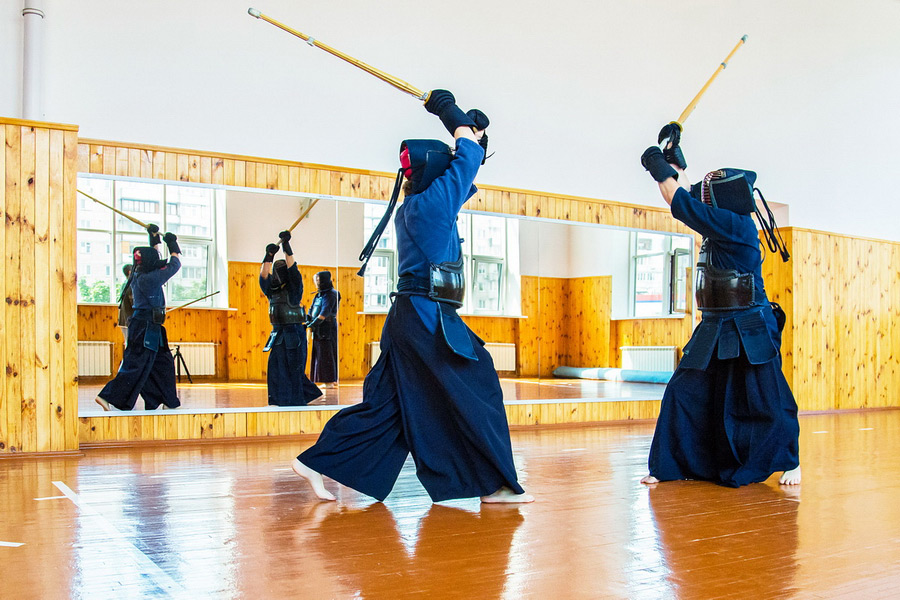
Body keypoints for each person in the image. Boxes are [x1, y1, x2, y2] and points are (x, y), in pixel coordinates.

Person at [292, 89, 533, 503]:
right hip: (426, 318)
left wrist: (476, 140)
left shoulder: (420, 205)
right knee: (480, 389)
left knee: (388, 407)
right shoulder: (432, 206)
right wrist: (448, 111)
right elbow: (466, 160)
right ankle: (493, 486)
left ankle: (315, 461)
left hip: (408, 318)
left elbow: (468, 168)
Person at [638, 124, 801, 486]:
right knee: (684, 390)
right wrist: (671, 159)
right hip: (714, 325)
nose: (705, 197)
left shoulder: (736, 227)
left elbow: (679, 201)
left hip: (749, 326)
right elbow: (690, 196)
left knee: (767, 399)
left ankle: (790, 461)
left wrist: (654, 162)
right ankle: (671, 466)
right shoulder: (724, 222)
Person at [95, 225, 182, 411]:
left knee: (162, 364)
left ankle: (168, 401)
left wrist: (154, 238)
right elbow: (175, 265)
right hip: (145, 326)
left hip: (152, 326)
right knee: (136, 365)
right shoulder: (149, 279)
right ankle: (106, 396)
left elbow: (154, 258)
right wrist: (173, 245)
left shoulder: (139, 272)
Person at [260, 231, 323, 406]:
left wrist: (287, 247)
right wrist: (269, 255)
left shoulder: (295, 289)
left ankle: (296, 400)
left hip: (294, 333)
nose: (275, 273)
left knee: (294, 370)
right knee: (276, 368)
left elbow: (293, 270)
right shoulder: (271, 291)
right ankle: (280, 399)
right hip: (278, 333)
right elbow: (263, 276)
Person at [307, 271, 340, 389]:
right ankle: (324, 380)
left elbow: (324, 313)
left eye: (318, 280)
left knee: (326, 354)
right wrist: (308, 320)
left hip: (327, 329)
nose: (316, 283)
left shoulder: (332, 294)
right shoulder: (318, 295)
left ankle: (329, 381)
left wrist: (312, 324)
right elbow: (311, 310)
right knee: (319, 354)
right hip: (318, 329)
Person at [117, 263, 134, 346]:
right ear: (130, 272)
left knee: (128, 344)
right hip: (129, 319)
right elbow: (133, 302)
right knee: (132, 345)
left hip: (124, 319)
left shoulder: (124, 284)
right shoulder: (131, 285)